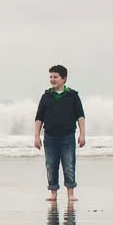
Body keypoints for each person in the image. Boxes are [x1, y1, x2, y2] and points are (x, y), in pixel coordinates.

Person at [32, 64, 86, 203]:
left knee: (69, 164)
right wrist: (37, 136)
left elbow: (80, 116)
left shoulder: (72, 96)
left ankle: (70, 193)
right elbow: (39, 118)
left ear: (64, 79)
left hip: (67, 136)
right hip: (50, 136)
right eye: (51, 77)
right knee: (51, 165)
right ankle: (53, 193)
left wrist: (82, 134)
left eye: (55, 77)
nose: (52, 79)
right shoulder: (46, 96)